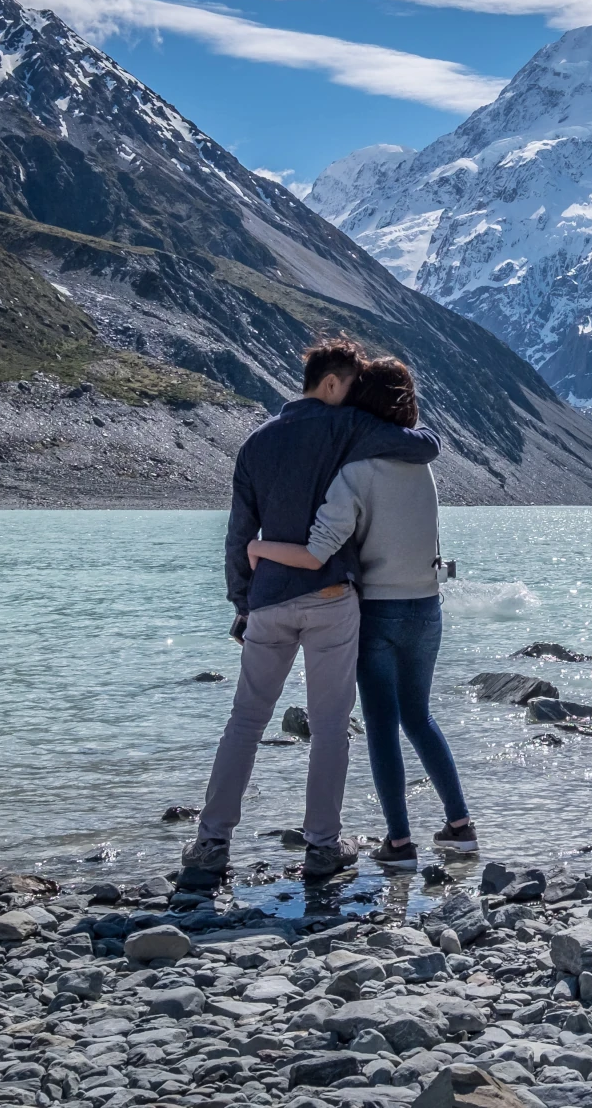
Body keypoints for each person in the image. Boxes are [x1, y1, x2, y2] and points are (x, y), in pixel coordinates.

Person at [182, 338, 441, 888]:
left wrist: (241, 605)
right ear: (331, 383)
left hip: (269, 600)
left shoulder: (255, 444)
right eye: (351, 386)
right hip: (329, 600)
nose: (357, 397)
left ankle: (210, 845)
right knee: (329, 728)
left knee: (245, 721)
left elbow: (238, 537)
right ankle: (323, 849)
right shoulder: (344, 426)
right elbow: (424, 446)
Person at [247, 357, 477, 867]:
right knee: (419, 717)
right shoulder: (420, 466)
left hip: (376, 612)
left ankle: (399, 842)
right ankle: (460, 826)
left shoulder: (355, 472)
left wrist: (261, 551)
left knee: (380, 725)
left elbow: (315, 552)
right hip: (426, 607)